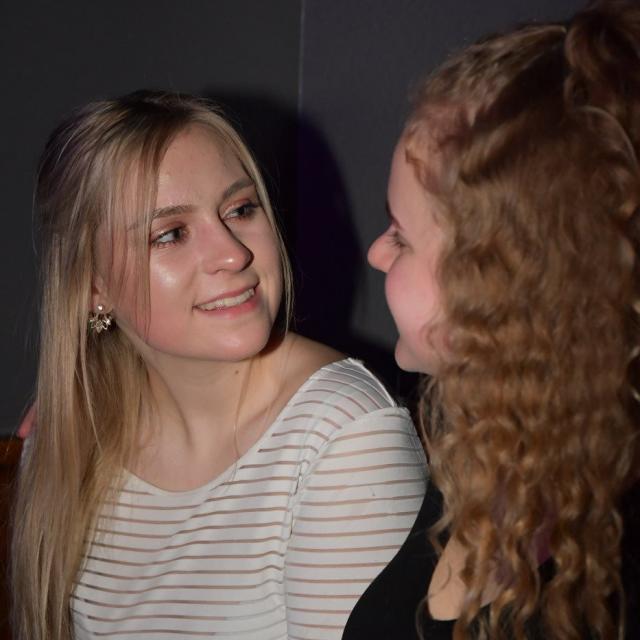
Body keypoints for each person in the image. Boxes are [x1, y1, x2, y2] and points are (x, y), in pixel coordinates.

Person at [10, 90, 426, 640]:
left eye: (241, 209)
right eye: (171, 234)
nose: (234, 253)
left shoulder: (343, 436)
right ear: (93, 286)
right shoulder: (69, 437)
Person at [343, 1, 640, 638]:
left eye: (401, 237)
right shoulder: (477, 443)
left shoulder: (615, 565)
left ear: (497, 283)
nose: (375, 253)